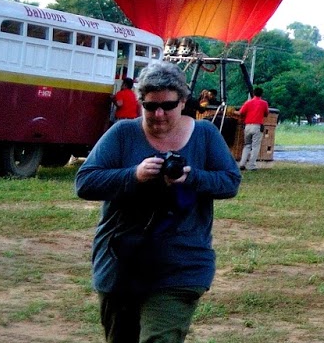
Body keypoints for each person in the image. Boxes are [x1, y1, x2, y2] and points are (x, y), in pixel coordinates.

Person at [74, 60, 241, 342]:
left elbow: (230, 182)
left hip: (181, 265)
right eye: (150, 106)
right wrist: (134, 175)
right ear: (141, 103)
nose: (159, 114)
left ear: (183, 101)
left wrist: (191, 177)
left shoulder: (205, 135)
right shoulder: (123, 134)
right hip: (121, 263)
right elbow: (85, 182)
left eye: (168, 105)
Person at [235, 86, 270, 172]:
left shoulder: (248, 103)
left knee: (247, 145)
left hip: (247, 126)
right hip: (257, 126)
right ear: (262, 94)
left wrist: (232, 111)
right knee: (255, 146)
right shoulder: (264, 103)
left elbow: (241, 113)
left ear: (253, 93)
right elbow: (266, 113)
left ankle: (242, 164)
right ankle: (251, 165)